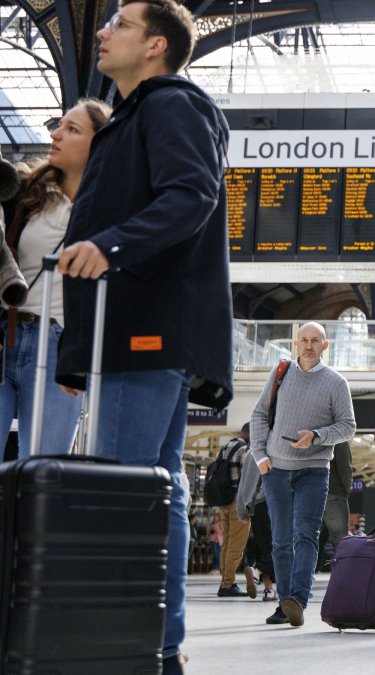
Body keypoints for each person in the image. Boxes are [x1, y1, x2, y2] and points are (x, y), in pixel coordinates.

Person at [52, 2, 233, 670]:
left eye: (119, 24)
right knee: (157, 493)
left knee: (125, 494)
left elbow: (192, 194)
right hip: (134, 328)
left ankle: (123, 645)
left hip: (145, 327)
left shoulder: (170, 104)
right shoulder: (137, 114)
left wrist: (112, 244)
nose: (103, 32)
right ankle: (155, 645)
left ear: (156, 45)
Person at [0, 100, 110, 458]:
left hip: (61, 347)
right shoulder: (25, 193)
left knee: (42, 468)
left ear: (99, 143)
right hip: (6, 336)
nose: (55, 134)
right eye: (58, 125)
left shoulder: (111, 208)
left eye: (72, 129)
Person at [250, 322, 355, 628]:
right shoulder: (280, 374)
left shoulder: (336, 383)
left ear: (325, 346)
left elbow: (347, 426)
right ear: (296, 343)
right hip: (276, 470)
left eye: (315, 341)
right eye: (304, 340)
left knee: (306, 536)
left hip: (314, 470)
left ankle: (298, 599)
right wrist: (260, 456)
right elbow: (258, 415)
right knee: (281, 539)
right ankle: (285, 602)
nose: (309, 345)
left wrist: (317, 436)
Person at [214, 424, 253, 597]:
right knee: (236, 547)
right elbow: (249, 478)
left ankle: (225, 582)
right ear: (249, 433)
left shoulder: (223, 448)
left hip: (223, 502)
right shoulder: (244, 450)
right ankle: (228, 584)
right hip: (239, 503)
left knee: (227, 544)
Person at [236, 439, 276, 603]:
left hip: (255, 505)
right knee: (278, 545)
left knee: (264, 546)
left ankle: (268, 589)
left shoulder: (251, 452)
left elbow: (244, 483)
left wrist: (242, 510)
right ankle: (257, 571)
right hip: (273, 501)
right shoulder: (274, 448)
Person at [318, 442, 353, 571]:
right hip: (333, 492)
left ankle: (300, 584)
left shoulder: (307, 427)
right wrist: (346, 489)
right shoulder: (339, 435)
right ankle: (343, 576)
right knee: (341, 539)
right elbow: (344, 466)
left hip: (308, 493)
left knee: (307, 536)